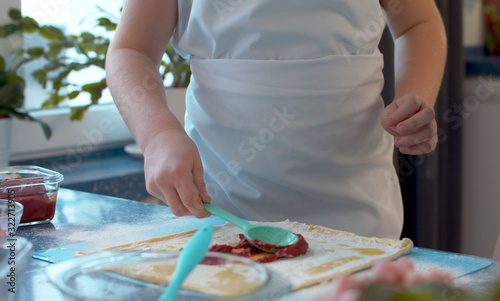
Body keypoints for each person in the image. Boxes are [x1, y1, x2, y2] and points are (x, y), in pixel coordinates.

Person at [106, 0, 446, 239]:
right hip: (223, 207)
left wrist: (413, 100)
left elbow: (419, 24)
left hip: (359, 210)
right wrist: (157, 136)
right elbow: (131, 50)